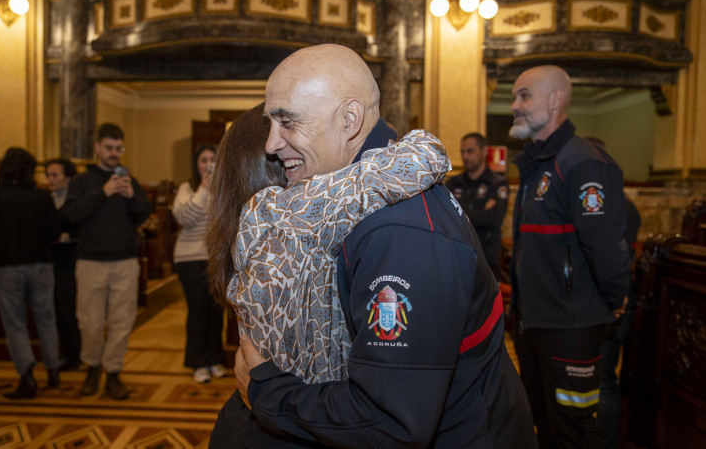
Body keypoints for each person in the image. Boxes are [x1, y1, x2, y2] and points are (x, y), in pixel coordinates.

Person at [232, 44, 537, 448]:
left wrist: (267, 393)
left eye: (287, 123)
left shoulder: (398, 233)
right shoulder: (368, 191)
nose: (271, 144)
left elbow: (389, 423)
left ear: (349, 119)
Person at [207, 103, 452, 448]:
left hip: (265, 420)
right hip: (294, 428)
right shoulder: (281, 215)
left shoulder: (253, 227)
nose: (283, 142)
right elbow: (422, 158)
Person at [508, 66, 630, 449]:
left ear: (555, 99)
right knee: (541, 422)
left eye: (524, 96)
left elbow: (606, 248)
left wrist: (613, 301)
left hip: (571, 326)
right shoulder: (536, 163)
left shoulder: (583, 162)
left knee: (573, 431)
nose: (515, 106)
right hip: (534, 323)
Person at [62, 123, 151, 400]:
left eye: (118, 149)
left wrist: (130, 195)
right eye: (110, 148)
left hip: (125, 261)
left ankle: (113, 373)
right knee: (89, 322)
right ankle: (92, 368)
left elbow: (144, 213)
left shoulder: (128, 179)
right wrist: (104, 192)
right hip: (90, 262)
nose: (115, 154)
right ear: (98, 148)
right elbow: (71, 214)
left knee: (121, 322)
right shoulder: (81, 181)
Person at [0, 147, 61, 399]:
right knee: (46, 318)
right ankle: (53, 370)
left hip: (7, 267)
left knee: (15, 324)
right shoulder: (42, 197)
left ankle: (27, 376)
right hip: (41, 266)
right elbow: (54, 232)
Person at [584, 137, 642, 449]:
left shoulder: (608, 204)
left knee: (603, 379)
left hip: (611, 301)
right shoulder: (622, 202)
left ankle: (605, 441)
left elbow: (607, 257)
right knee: (601, 378)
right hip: (614, 298)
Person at [172, 144, 225, 384]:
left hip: (215, 258)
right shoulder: (187, 188)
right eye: (203, 160)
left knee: (216, 310)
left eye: (211, 159)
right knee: (198, 310)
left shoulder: (225, 187)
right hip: (189, 258)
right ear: (196, 165)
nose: (207, 164)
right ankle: (197, 363)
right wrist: (203, 188)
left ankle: (214, 359)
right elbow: (184, 218)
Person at [444, 132, 509, 279]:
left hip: (487, 257)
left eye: (470, 151)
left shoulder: (497, 183)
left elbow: (495, 218)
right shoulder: (453, 183)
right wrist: (481, 212)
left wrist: (461, 214)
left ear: (484, 151)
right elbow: (446, 217)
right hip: (458, 255)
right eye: (462, 152)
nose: (465, 156)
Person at [45, 158, 81, 372]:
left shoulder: (75, 200)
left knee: (70, 309)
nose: (50, 179)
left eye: (55, 175)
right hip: (51, 261)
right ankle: (66, 354)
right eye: (48, 175)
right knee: (56, 309)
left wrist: (67, 236)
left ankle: (76, 354)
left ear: (67, 178)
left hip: (71, 261)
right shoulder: (46, 200)